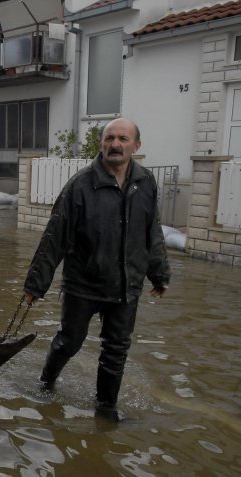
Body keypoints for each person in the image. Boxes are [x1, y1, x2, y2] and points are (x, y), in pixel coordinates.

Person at [23, 117, 171, 411]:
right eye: (110, 138)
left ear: (136, 146)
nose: (115, 144)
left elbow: (151, 230)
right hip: (84, 284)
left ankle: (106, 408)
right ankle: (46, 382)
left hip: (126, 286)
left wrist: (159, 273)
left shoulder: (145, 182)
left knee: (116, 350)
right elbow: (55, 238)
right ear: (102, 143)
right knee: (69, 342)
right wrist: (35, 285)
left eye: (122, 139)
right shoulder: (80, 185)